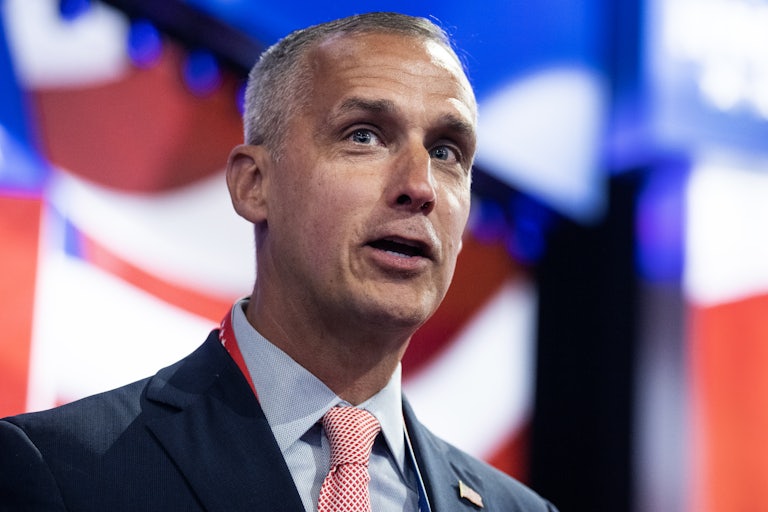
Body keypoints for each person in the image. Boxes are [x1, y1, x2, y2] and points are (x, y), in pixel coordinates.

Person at [0, 12, 558, 511]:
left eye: (446, 152)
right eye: (364, 136)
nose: (420, 186)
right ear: (254, 184)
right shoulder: (62, 471)